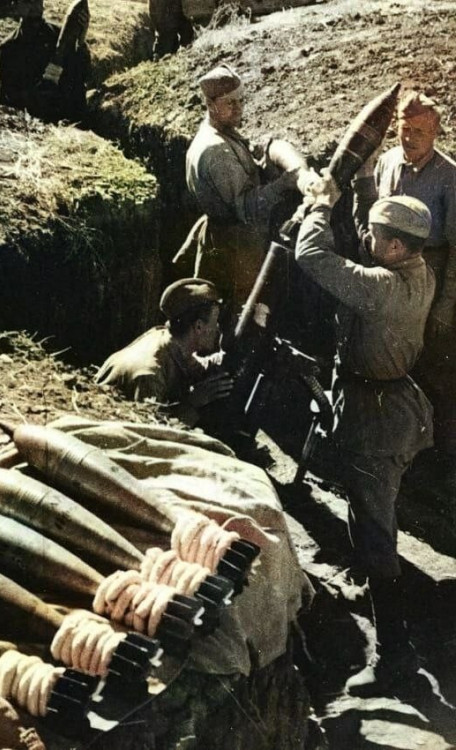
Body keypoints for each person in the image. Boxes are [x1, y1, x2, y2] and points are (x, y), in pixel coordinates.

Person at [296, 177, 435, 696]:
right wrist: (360, 188)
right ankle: (379, 592)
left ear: (395, 247)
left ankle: (395, 656)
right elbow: (363, 242)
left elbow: (312, 256)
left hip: (376, 420)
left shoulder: (381, 289)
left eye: (376, 237)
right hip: (388, 406)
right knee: (368, 513)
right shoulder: (416, 270)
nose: (366, 240)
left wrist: (320, 206)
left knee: (376, 532)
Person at [353, 91, 456, 479]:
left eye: (420, 132)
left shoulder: (450, 177)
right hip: (390, 275)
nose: (409, 138)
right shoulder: (388, 162)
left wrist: (445, 306)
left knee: (434, 364)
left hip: (430, 275)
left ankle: (440, 456)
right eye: (404, 129)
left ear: (436, 132)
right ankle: (396, 446)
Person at [175, 63, 317, 317]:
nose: (239, 107)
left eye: (241, 100)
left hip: (230, 240)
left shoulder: (220, 133)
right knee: (247, 311)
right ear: (210, 105)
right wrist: (284, 184)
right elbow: (247, 208)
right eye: (230, 103)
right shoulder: (215, 151)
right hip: (238, 248)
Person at [95, 278, 234, 427]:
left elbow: (193, 366)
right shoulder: (150, 374)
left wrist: (227, 355)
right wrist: (193, 403)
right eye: (215, 322)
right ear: (198, 326)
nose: (218, 329)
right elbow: (151, 430)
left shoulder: (169, 339)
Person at [0, 0, 90, 123]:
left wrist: (81, 40)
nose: (35, 7)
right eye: (28, 2)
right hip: (37, 119)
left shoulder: (58, 35)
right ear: (16, 6)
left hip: (68, 117)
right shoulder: (9, 48)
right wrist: (40, 92)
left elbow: (82, 72)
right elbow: (8, 98)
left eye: (37, 1)